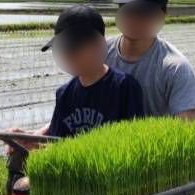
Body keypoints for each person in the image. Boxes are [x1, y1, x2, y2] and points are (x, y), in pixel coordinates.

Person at [42, 4, 145, 138]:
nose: (69, 54)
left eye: (74, 48)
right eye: (64, 48)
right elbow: (55, 144)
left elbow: (134, 141)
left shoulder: (125, 88)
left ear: (96, 45)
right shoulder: (64, 94)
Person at [106, 0, 195, 120]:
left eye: (143, 11)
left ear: (162, 14)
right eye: (128, 8)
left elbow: (185, 129)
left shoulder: (175, 68)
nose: (135, 17)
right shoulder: (100, 54)